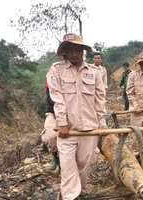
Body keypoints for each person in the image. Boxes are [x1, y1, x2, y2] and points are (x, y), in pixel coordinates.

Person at [47, 33, 107, 200]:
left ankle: (80, 192)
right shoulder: (56, 70)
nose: (74, 53)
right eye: (70, 50)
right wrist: (62, 122)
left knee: (84, 164)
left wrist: (102, 124)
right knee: (67, 165)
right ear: (64, 52)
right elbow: (57, 98)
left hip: (89, 128)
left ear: (83, 51)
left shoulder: (94, 72)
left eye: (77, 49)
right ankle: (70, 196)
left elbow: (100, 100)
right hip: (68, 129)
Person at [41, 68, 59, 171]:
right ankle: (55, 158)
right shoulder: (49, 87)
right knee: (49, 136)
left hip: (70, 113)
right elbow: (50, 102)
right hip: (52, 112)